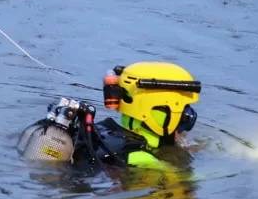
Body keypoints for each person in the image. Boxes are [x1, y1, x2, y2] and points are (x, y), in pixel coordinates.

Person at [18, 61, 202, 171]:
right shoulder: (141, 157)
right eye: (185, 113)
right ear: (162, 112)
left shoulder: (103, 129)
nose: (186, 121)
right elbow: (186, 177)